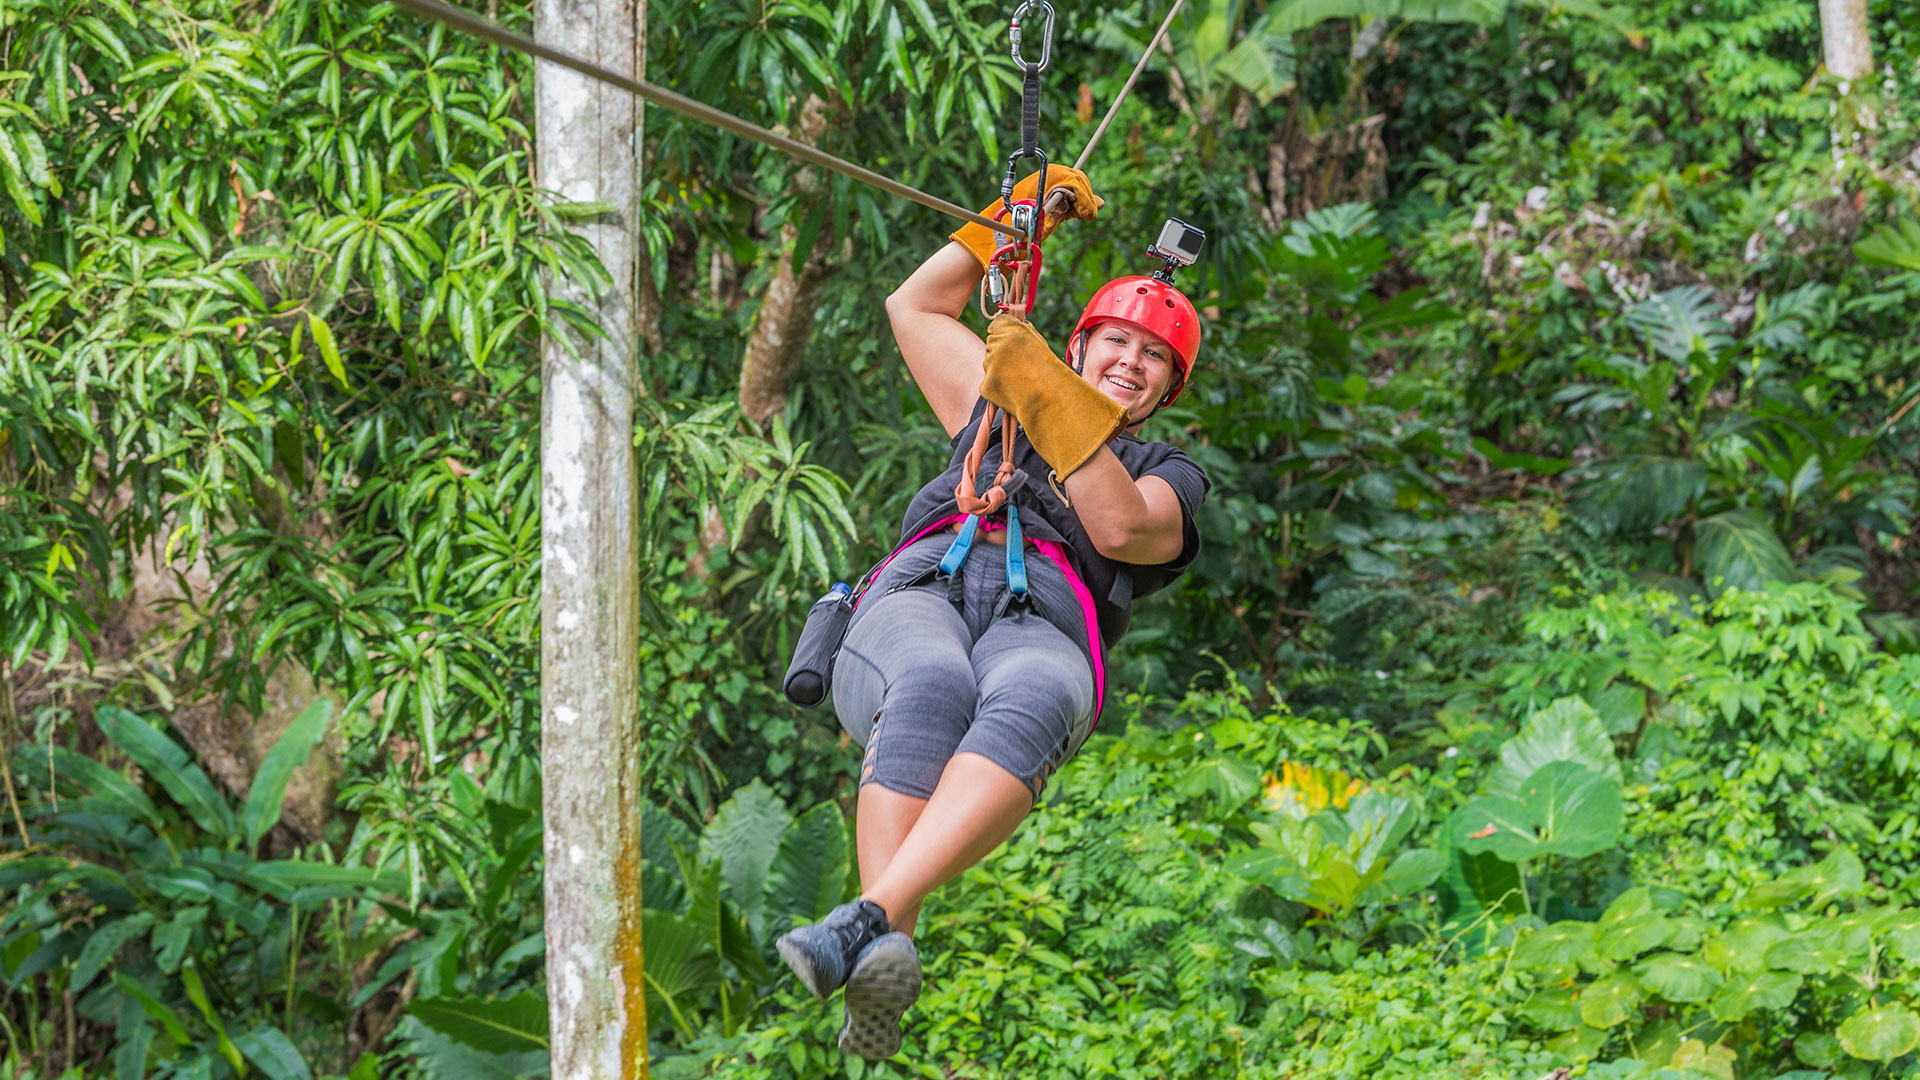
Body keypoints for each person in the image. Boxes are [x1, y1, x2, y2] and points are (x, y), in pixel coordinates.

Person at [774, 166, 1210, 1061]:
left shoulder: (1169, 471)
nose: (1130, 360)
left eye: (1152, 355)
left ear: (1168, 388)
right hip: (926, 588)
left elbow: (1124, 527)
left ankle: (869, 931)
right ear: (1081, 347)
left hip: (1044, 621)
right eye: (1114, 342)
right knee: (931, 681)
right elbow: (916, 306)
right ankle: (877, 929)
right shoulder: (994, 399)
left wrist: (1048, 396)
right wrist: (1011, 217)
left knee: (1039, 694)